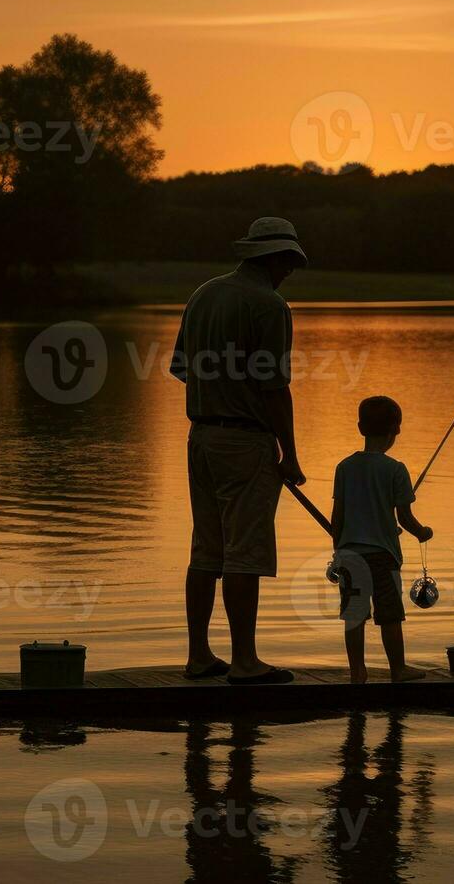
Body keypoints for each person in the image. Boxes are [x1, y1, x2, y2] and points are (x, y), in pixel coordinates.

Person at [169, 217, 308, 685]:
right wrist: (289, 454)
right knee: (244, 553)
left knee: (206, 550)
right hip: (245, 441)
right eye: (288, 261)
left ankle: (198, 657)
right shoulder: (269, 306)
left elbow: (181, 368)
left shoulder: (203, 294)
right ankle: (245, 662)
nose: (290, 270)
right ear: (272, 258)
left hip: (200, 438)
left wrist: (219, 390)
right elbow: (274, 388)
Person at [329, 396, 432, 684]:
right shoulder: (396, 469)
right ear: (395, 430)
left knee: (354, 615)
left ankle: (357, 672)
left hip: (349, 554)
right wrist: (423, 532)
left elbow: (338, 516)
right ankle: (398, 669)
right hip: (383, 555)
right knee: (389, 615)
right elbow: (405, 519)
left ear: (360, 427)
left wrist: (338, 550)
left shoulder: (344, 467)